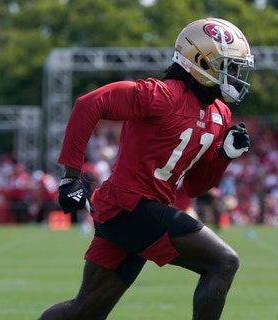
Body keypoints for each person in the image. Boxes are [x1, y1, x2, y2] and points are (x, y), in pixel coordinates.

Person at [38, 17, 254, 320]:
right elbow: (89, 104)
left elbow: (194, 186)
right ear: (199, 60)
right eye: (227, 65)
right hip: (129, 206)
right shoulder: (162, 95)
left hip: (137, 213)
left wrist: (224, 157)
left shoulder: (220, 113)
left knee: (84, 311)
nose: (234, 75)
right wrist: (71, 178)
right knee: (224, 262)